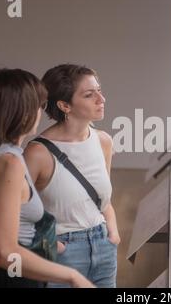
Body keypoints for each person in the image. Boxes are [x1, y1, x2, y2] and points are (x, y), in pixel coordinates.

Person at [0, 68, 93, 288]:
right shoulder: (9, 164)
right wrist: (73, 276)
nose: (40, 113)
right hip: (12, 277)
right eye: (37, 106)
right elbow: (4, 253)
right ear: (22, 112)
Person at [24, 64, 120, 288]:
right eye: (89, 95)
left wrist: (113, 234)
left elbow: (103, 201)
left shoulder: (103, 141)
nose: (101, 98)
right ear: (64, 105)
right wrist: (51, 244)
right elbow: (16, 213)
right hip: (63, 252)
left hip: (103, 244)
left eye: (99, 90)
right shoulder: (38, 152)